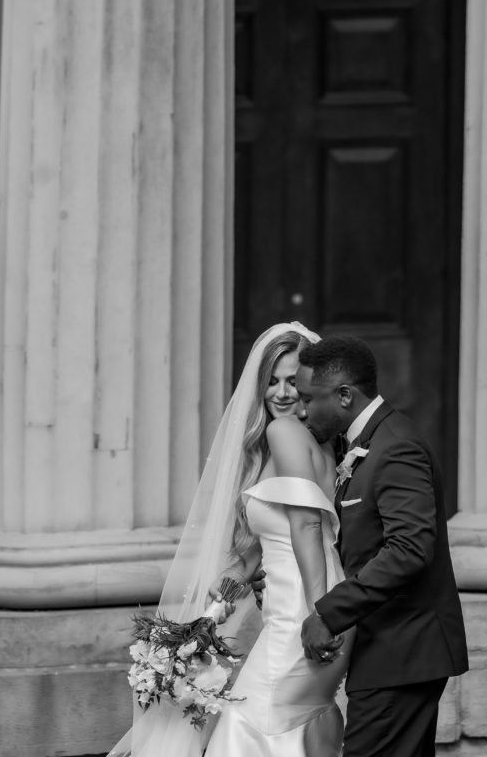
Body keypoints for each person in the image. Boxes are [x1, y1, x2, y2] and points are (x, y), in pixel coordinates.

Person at [109, 322, 350, 757]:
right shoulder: (312, 441)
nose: (281, 393)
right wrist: (232, 584)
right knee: (290, 720)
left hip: (305, 608)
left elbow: (308, 527)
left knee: (246, 721)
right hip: (310, 597)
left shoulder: (284, 433)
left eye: (293, 382)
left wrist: (321, 613)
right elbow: (277, 535)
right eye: (272, 382)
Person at [296, 335, 468, 757]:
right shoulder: (365, 442)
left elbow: (409, 549)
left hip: (402, 652)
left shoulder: (395, 446)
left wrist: (328, 612)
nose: (301, 410)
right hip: (391, 653)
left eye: (307, 398)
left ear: (343, 396)